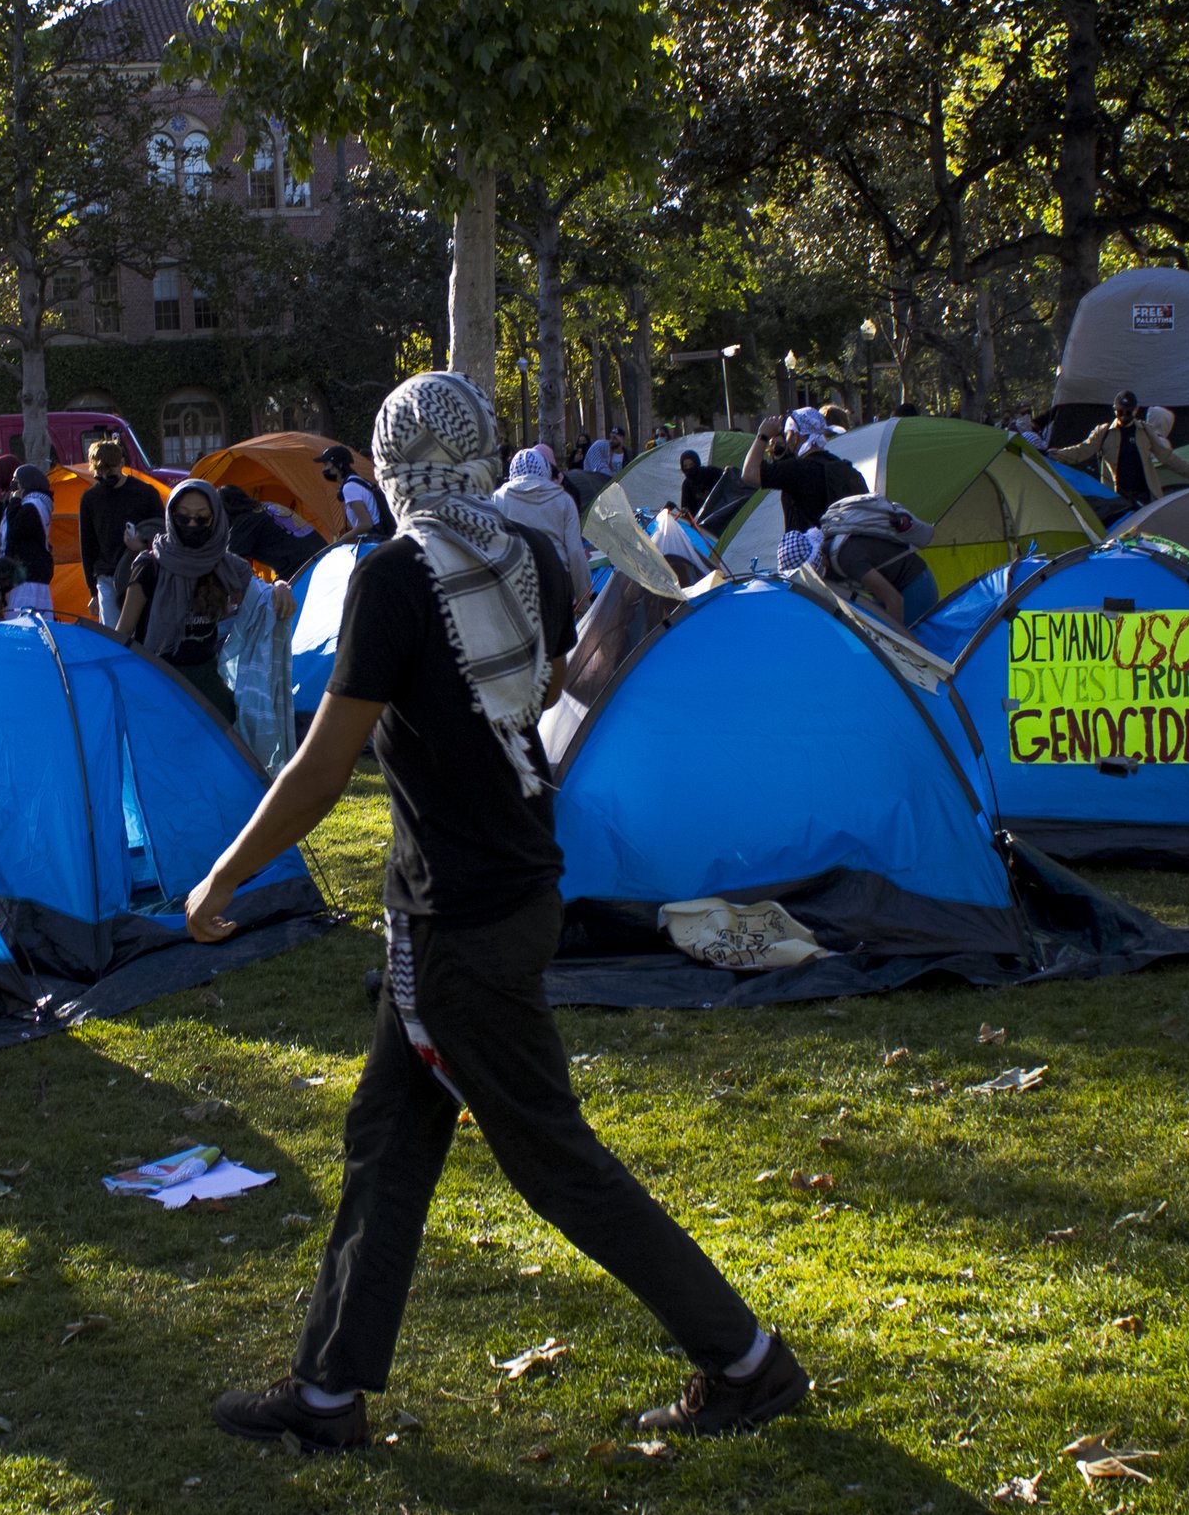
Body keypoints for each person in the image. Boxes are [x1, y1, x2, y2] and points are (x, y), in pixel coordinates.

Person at [182, 371, 804, 1453]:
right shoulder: (527, 555)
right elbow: (548, 682)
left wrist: (225, 873)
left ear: (389, 459)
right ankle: (328, 1391)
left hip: (454, 915)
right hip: (517, 882)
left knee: (552, 1155)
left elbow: (325, 767)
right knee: (387, 1135)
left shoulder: (393, 578)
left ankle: (745, 1357)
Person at [115, 480, 254, 721]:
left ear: (216, 519)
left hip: (207, 684)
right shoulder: (150, 566)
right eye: (183, 518)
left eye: (202, 519)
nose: (192, 525)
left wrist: (282, 587)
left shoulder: (222, 564)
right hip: (158, 681)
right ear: (171, 518)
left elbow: (260, 591)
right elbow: (123, 632)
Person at [1047, 391, 1189, 505]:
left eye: (1129, 411)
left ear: (1135, 410)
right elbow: (1082, 451)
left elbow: (1168, 457)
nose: (1124, 415)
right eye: (1121, 411)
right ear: (1115, 409)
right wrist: (1056, 455)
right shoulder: (1104, 432)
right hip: (1116, 499)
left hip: (1145, 497)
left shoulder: (1146, 431)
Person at [491, 447, 592, 615]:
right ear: (545, 469)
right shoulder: (564, 500)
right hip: (557, 585)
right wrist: (583, 602)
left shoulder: (498, 499)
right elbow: (575, 553)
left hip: (515, 587)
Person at [741, 406, 867, 539]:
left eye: (788, 434)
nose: (787, 440)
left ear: (796, 437)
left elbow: (749, 473)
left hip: (807, 554)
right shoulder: (840, 465)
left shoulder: (797, 469)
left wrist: (763, 436)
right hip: (836, 550)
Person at [815, 493, 937, 629]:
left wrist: (892, 643)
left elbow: (894, 601)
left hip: (915, 586)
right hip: (896, 590)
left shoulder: (847, 558)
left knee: (907, 643)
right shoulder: (831, 551)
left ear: (818, 558)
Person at [78, 435, 166, 622]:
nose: (106, 474)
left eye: (111, 467)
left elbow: (163, 532)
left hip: (140, 571)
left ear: (122, 463)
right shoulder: (90, 499)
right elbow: (87, 546)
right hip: (107, 576)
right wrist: (92, 590)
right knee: (113, 635)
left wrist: (142, 544)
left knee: (139, 631)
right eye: (101, 469)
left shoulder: (146, 493)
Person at [217, 484, 326, 578]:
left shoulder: (244, 522)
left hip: (302, 567)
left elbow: (227, 561)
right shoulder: (267, 505)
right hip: (323, 551)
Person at [0, 485, 56, 614]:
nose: (13, 486)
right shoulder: (38, 504)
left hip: (27, 577)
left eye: (17, 481)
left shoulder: (32, 505)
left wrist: (14, 502)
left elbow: (14, 530)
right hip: (31, 575)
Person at [319, 443, 387, 538]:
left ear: (339, 465)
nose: (323, 469)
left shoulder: (349, 487)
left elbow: (366, 524)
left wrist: (343, 539)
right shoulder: (356, 480)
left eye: (326, 465)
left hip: (375, 538)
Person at [676, 447, 723, 515]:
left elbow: (726, 480)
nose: (689, 468)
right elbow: (686, 508)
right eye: (685, 466)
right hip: (704, 520)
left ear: (697, 462)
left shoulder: (711, 472)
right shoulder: (687, 484)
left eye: (691, 464)